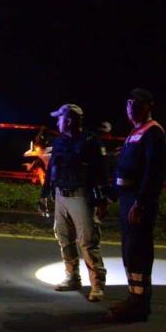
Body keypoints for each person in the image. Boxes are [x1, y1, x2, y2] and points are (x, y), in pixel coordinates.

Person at [39, 103, 109, 302]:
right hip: (62, 195)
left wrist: (102, 200)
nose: (57, 122)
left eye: (59, 118)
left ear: (68, 120)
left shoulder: (90, 141)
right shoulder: (60, 141)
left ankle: (97, 285)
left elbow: (101, 172)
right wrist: (45, 194)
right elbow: (52, 168)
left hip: (82, 196)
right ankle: (72, 277)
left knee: (87, 241)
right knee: (64, 237)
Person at [108, 88, 166, 322]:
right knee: (129, 251)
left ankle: (140, 304)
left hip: (138, 201)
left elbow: (153, 172)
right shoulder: (135, 132)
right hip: (127, 198)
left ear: (148, 106)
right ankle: (133, 296)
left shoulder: (153, 132)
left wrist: (141, 202)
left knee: (139, 250)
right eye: (129, 103)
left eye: (137, 104)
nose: (131, 108)